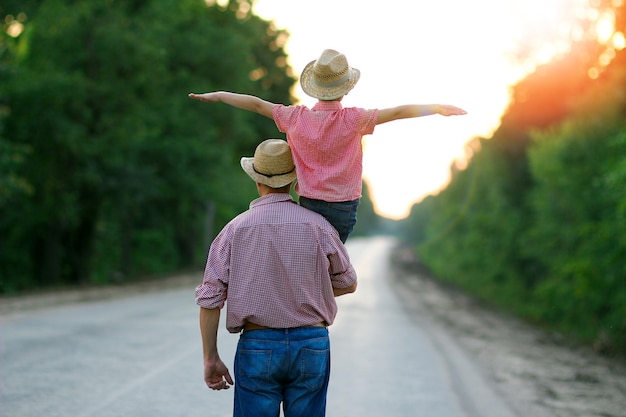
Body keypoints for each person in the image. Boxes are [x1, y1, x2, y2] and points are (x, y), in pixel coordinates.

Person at [189, 48, 467, 242]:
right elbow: (396, 112)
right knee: (330, 266)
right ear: (346, 88)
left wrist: (219, 95)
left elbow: (255, 103)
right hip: (344, 208)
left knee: (308, 259)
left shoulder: (294, 118)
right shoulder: (354, 120)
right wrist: (437, 107)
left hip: (308, 203)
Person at [196, 138, 358, 417]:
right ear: (295, 182)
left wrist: (211, 358)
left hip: (258, 345)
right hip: (312, 344)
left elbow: (210, 298)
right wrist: (305, 289)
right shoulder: (319, 226)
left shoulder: (235, 230)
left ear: (257, 181)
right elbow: (348, 282)